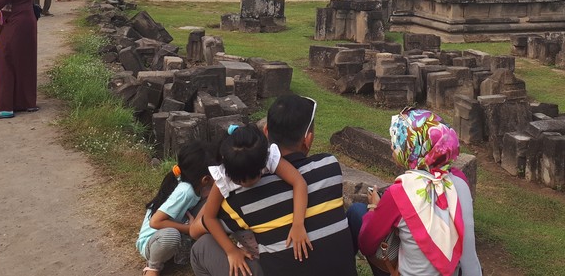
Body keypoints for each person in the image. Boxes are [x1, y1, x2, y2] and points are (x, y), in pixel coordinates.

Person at [190, 94, 357, 276]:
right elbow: (298, 181)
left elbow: (197, 229)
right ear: (307, 139)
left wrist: (297, 224)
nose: (247, 184)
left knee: (201, 247)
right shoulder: (330, 165)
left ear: (266, 131)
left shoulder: (242, 196)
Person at [356, 108, 482, 276]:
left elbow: (367, 244)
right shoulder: (459, 182)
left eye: (397, 141)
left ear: (411, 149)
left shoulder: (400, 192)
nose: (393, 146)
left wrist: (373, 208)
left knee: (356, 213)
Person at [137, 141, 215, 276]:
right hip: (153, 242)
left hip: (170, 233)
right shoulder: (185, 191)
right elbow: (155, 222)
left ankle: (182, 249)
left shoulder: (194, 185)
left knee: (212, 202)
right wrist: (190, 228)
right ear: (205, 179)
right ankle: (153, 267)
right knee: (171, 236)